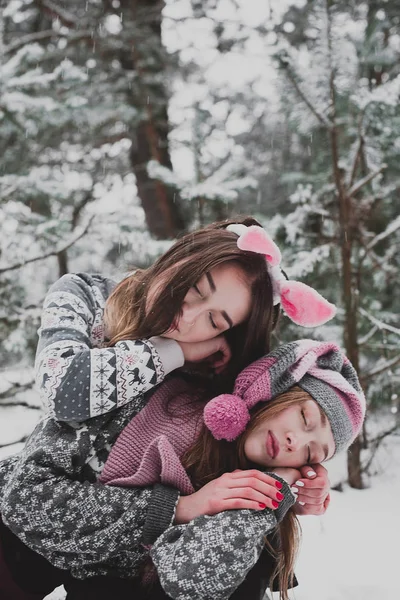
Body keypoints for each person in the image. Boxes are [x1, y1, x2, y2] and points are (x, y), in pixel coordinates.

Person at [0, 220, 336, 599]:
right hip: (32, 525)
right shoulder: (89, 297)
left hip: (118, 559)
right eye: (194, 288)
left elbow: (261, 434)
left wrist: (299, 475)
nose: (188, 315)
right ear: (180, 256)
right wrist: (176, 351)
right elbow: (65, 390)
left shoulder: (213, 379)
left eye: (214, 320)